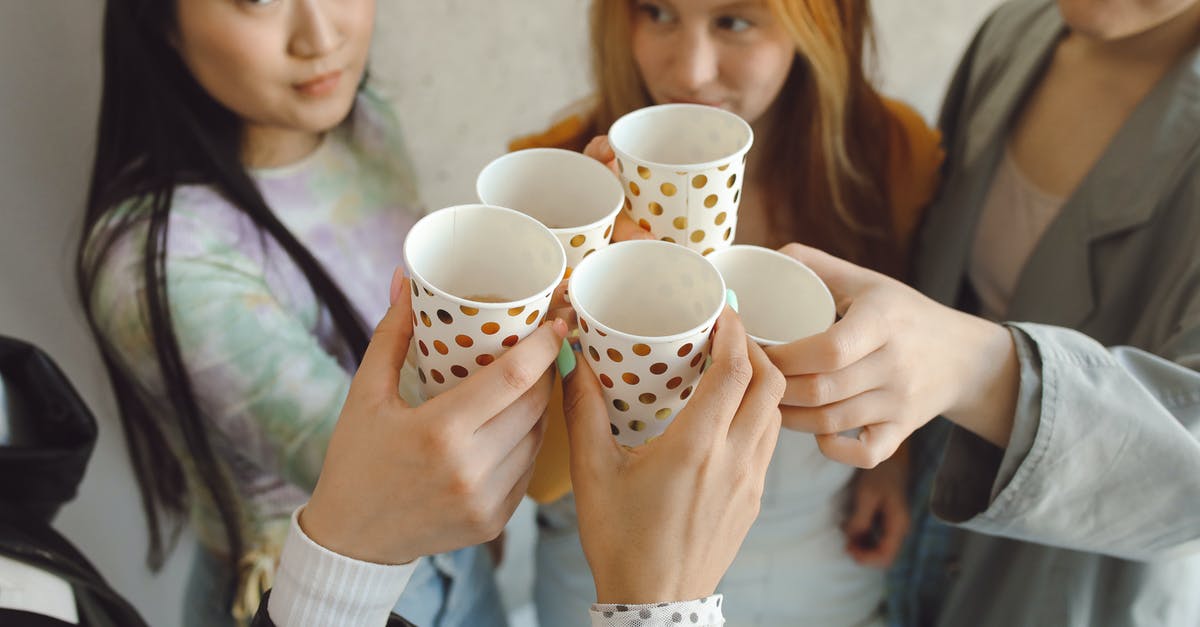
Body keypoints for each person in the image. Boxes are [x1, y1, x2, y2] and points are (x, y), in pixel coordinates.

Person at [766, 0, 1200, 625]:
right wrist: (897, 454)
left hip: (1083, 571)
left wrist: (977, 369)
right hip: (916, 512)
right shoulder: (1018, 31)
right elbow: (940, 270)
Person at [513, 1, 942, 624]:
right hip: (607, 581)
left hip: (821, 569)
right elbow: (539, 478)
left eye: (734, 22)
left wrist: (894, 460)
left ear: (819, 27)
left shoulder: (888, 156)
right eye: (656, 12)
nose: (690, 71)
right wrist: (588, 283)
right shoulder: (555, 177)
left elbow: (913, 337)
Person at [76, 0, 499, 624]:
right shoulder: (159, 263)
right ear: (161, 20)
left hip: (449, 552)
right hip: (322, 594)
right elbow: (394, 465)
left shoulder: (362, 120)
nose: (322, 36)